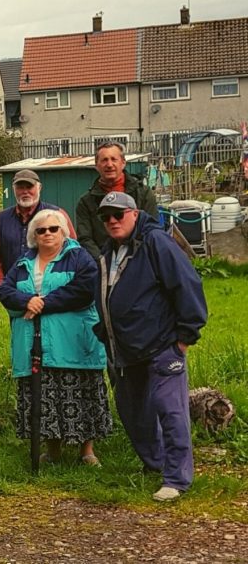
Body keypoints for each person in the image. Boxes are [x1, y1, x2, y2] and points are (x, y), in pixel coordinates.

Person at [94, 192, 208, 502]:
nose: (113, 221)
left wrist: (185, 338)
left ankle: (177, 478)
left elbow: (187, 284)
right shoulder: (109, 251)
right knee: (132, 413)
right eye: (106, 217)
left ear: (134, 213)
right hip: (125, 350)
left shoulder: (156, 242)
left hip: (162, 346)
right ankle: (156, 463)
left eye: (118, 214)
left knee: (170, 412)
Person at [0, 209, 112, 466]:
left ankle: (87, 451)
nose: (47, 234)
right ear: (33, 236)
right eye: (41, 230)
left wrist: (42, 304)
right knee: (44, 395)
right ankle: (52, 451)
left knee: (81, 392)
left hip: (74, 341)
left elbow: (83, 291)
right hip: (35, 343)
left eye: (53, 229)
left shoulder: (79, 257)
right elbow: (4, 290)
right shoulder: (23, 261)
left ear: (64, 232)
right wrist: (26, 300)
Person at [0, 169, 76, 288]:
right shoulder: (1, 219)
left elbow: (73, 250)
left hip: (53, 290)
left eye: (29, 187)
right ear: (14, 189)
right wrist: (2, 284)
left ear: (39, 188)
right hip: (13, 292)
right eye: (20, 187)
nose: (25, 192)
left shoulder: (57, 215)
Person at [76, 141, 159, 259]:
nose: (109, 164)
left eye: (114, 159)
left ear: (123, 163)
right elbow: (85, 239)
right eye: (104, 160)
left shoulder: (144, 194)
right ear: (96, 165)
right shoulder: (86, 202)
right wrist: (104, 261)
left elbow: (152, 230)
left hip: (140, 260)